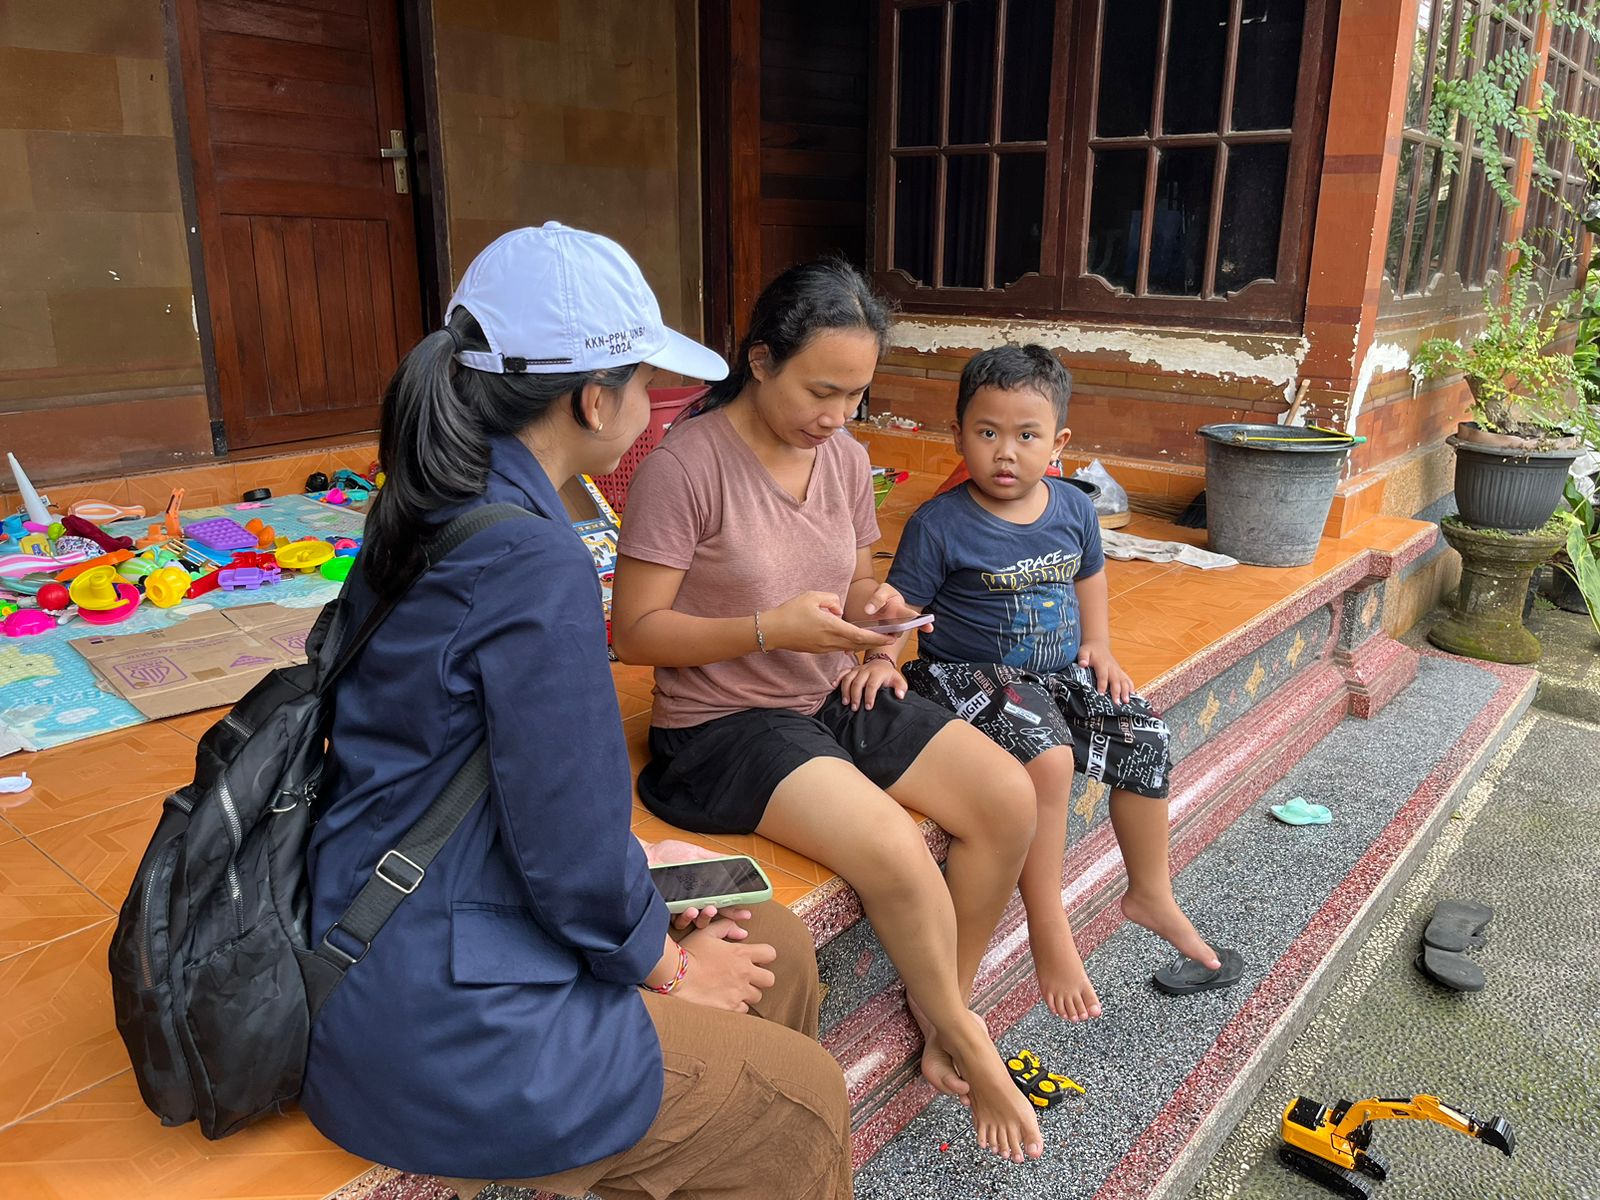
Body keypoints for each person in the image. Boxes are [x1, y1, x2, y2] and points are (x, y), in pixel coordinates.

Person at [300, 223, 853, 1200]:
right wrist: (666, 967)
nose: (653, 405)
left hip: (410, 901)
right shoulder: (532, 556)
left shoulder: (433, 500)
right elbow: (562, 835)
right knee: (800, 1098)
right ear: (594, 400)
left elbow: (482, 764)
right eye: (645, 383)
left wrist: (640, 871)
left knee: (773, 940)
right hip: (440, 1008)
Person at [609, 260, 1046, 1163]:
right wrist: (768, 629)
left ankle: (944, 1009)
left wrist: (879, 628)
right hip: (724, 724)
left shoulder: (843, 458)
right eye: (821, 391)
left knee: (1007, 796)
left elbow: (853, 585)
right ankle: (970, 1039)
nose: (838, 416)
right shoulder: (686, 466)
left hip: (827, 687)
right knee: (892, 845)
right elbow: (636, 633)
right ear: (761, 360)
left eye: (856, 395)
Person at [880, 344, 1239, 1022]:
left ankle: (1150, 892)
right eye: (987, 433)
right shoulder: (939, 523)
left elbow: (1090, 574)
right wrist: (879, 657)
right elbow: (904, 608)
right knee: (1048, 755)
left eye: (1026, 436)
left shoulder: (1073, 508)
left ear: (1059, 443)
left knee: (1145, 734)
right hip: (962, 676)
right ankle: (1049, 925)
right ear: (958, 435)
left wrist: (1098, 643)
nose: (1005, 453)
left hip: (1053, 674)